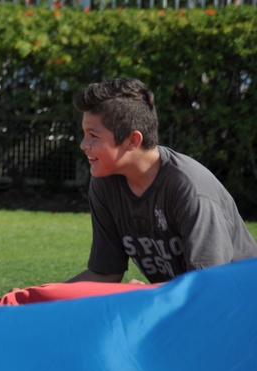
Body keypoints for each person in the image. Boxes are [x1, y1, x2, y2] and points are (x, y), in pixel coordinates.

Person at [67, 77, 257, 284]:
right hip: (187, 303)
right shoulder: (105, 182)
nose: (83, 144)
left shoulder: (189, 187)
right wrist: (34, 297)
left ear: (132, 140)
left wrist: (150, 293)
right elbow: (105, 274)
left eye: (93, 135)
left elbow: (209, 285)